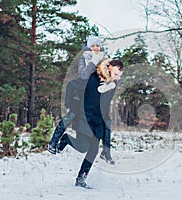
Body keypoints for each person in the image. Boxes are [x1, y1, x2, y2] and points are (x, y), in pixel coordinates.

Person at [47, 36, 119, 164]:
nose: (96, 48)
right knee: (70, 116)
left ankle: (106, 152)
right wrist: (94, 62)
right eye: (93, 45)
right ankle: (54, 142)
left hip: (96, 100)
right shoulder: (84, 58)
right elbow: (83, 76)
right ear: (89, 46)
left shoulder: (107, 60)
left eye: (98, 46)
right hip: (80, 97)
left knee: (106, 123)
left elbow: (114, 77)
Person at [56, 59, 124, 189]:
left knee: (93, 151)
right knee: (82, 147)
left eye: (119, 76)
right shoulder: (93, 78)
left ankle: (81, 179)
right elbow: (74, 85)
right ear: (109, 68)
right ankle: (65, 139)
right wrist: (70, 104)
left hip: (98, 120)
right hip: (84, 116)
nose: (117, 78)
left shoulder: (112, 84)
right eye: (116, 74)